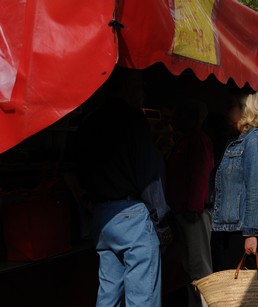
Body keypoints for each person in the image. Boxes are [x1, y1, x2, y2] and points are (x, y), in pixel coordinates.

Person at [77, 68, 161, 306]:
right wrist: (160, 215)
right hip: (131, 213)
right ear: (129, 87)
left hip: (102, 216)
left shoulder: (89, 120)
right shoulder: (134, 118)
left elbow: (79, 170)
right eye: (140, 87)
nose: (142, 93)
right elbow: (149, 176)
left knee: (108, 292)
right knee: (142, 296)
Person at [211, 91, 258, 266]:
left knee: (239, 288)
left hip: (241, 232)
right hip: (229, 228)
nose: (227, 111)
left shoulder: (255, 142)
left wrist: (251, 234)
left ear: (246, 109)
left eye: (231, 106)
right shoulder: (237, 141)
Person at [165, 99, 214, 307]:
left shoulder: (197, 140)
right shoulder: (188, 139)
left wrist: (193, 208)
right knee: (191, 268)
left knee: (199, 269)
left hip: (193, 213)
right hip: (185, 212)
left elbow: (200, 174)